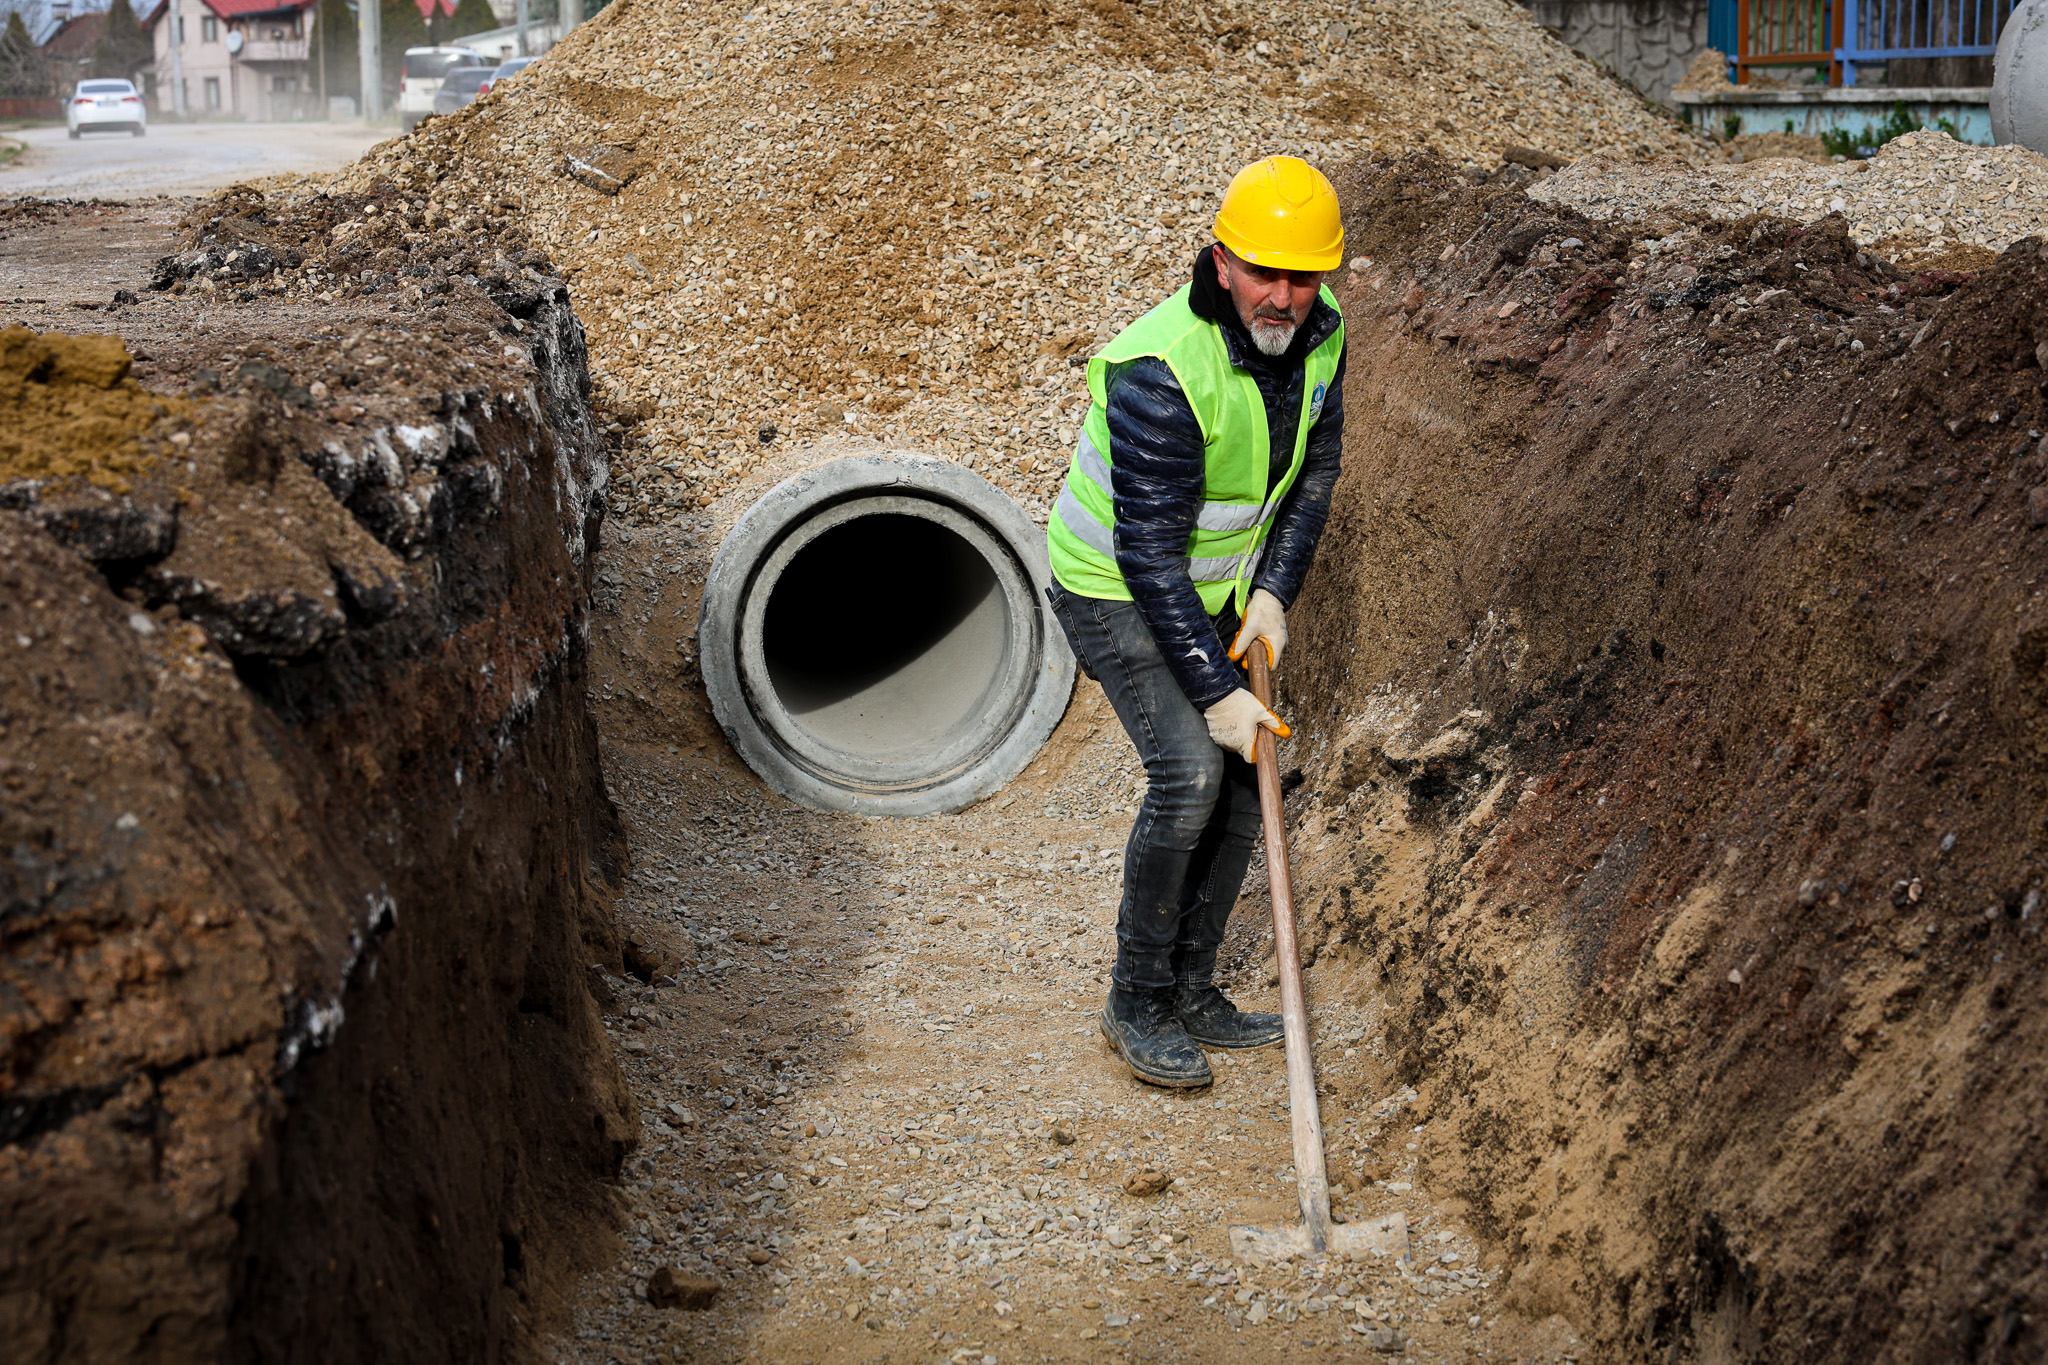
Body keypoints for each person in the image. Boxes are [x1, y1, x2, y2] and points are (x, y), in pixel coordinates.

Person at [1044, 155, 1348, 1088]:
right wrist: (1218, 692)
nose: (1284, 297)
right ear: (1222, 263)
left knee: (1248, 775)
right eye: (1263, 273)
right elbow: (1145, 555)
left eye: (1304, 277)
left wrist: (1273, 593)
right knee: (1189, 776)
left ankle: (1193, 989)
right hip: (1110, 585)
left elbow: (1315, 474)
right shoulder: (1162, 370)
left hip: (1209, 590)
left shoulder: (1323, 337)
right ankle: (1136, 1001)